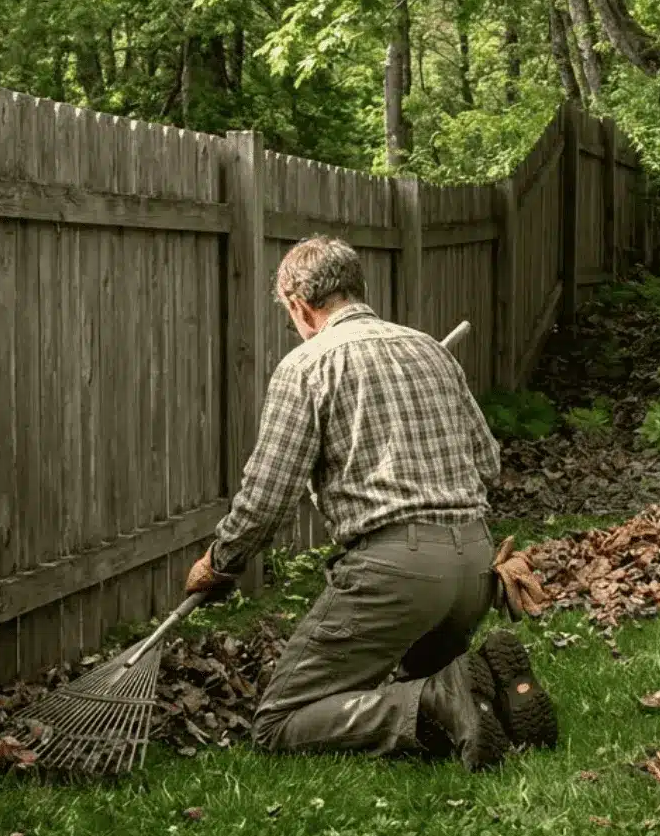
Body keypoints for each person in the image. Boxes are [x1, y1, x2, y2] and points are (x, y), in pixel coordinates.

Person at [182, 236, 556, 768]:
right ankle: (485, 692)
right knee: (412, 679)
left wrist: (219, 563)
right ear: (357, 288)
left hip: (396, 576)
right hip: (475, 566)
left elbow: (266, 501)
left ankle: (436, 699)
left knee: (279, 720)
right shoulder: (428, 349)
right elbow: (487, 460)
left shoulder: (307, 365)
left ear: (298, 304)